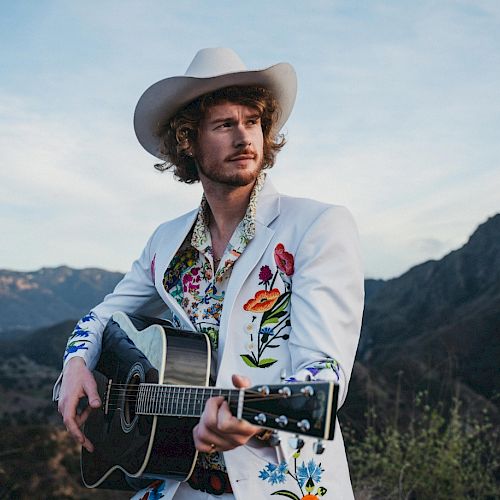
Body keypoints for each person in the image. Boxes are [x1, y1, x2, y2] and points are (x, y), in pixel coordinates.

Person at [54, 47, 364, 499]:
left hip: (282, 486)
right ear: (188, 141)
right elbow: (106, 314)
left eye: (252, 121)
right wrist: (76, 362)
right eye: (224, 125)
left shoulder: (317, 226)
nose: (244, 137)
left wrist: (252, 420)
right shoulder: (166, 240)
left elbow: (322, 379)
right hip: (177, 482)